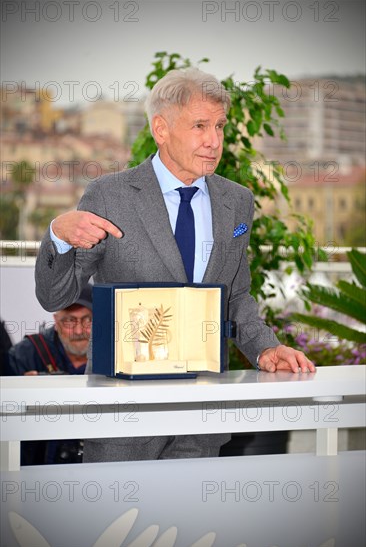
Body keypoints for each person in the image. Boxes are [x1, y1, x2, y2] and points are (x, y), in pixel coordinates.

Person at [35, 68, 315, 462]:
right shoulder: (109, 195)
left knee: (195, 523)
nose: (214, 141)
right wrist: (58, 235)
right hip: (123, 416)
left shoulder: (237, 201)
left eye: (219, 126)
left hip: (202, 415)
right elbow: (54, 295)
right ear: (161, 129)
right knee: (115, 525)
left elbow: (234, 297)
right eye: (200, 126)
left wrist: (266, 348)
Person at [7, 284, 92, 464]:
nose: (78, 331)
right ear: (56, 320)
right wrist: (19, 394)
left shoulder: (118, 357)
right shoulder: (26, 355)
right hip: (40, 467)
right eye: (69, 321)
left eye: (87, 320)